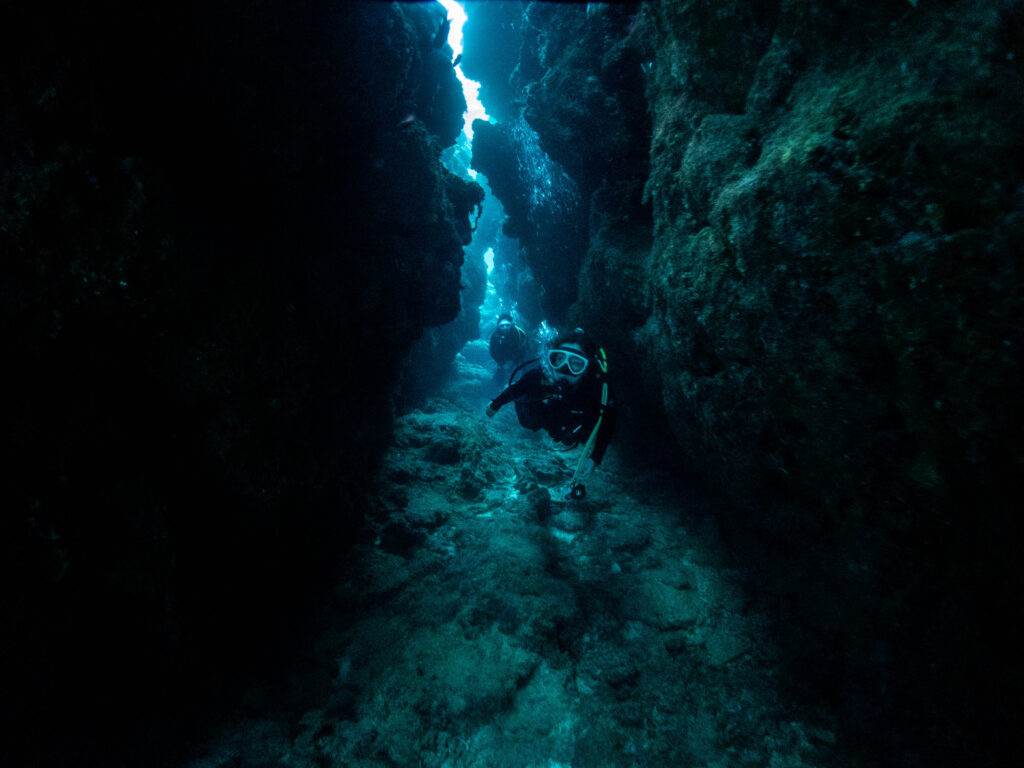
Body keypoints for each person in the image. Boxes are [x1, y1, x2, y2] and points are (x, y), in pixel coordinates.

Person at [486, 328, 616, 500]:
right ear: (551, 359)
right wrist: (495, 404)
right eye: (559, 359)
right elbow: (517, 388)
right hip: (547, 416)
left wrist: (594, 458)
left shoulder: (596, 390)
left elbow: (607, 424)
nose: (565, 369)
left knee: (580, 436)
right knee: (527, 414)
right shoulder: (542, 378)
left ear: (587, 367)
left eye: (576, 363)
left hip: (571, 425)